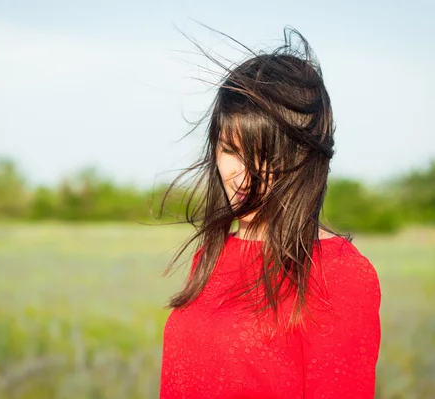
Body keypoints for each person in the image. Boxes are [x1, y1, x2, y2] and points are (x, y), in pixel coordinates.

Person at [159, 27, 381, 399]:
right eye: (230, 149)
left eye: (264, 155)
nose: (241, 175)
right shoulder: (212, 256)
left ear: (304, 157)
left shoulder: (340, 275)